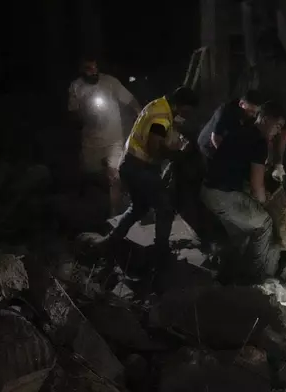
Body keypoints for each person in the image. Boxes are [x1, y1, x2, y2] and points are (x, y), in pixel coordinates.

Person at [93, 87, 198, 260]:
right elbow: (153, 147)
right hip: (139, 168)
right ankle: (161, 252)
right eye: (188, 110)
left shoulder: (159, 105)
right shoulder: (161, 118)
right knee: (164, 208)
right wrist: (177, 155)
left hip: (130, 164)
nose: (188, 115)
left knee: (139, 208)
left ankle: (109, 242)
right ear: (181, 105)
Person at [200, 101, 286, 284]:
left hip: (208, 189)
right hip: (222, 195)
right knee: (264, 223)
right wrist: (265, 204)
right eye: (277, 125)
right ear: (265, 118)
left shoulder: (242, 130)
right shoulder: (259, 142)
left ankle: (226, 274)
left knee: (241, 234)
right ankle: (255, 279)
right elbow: (257, 186)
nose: (278, 131)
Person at [68, 56, 141, 215]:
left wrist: (140, 115)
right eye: (88, 68)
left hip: (113, 139)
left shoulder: (110, 82)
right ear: (81, 70)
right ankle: (88, 208)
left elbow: (130, 100)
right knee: (89, 174)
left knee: (115, 176)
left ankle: (114, 214)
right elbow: (73, 113)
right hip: (91, 141)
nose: (93, 72)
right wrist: (86, 115)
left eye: (95, 68)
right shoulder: (76, 87)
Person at [197, 90, 265, 160]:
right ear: (241, 104)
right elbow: (216, 138)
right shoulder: (225, 111)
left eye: (255, 113)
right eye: (251, 111)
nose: (253, 115)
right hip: (208, 147)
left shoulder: (247, 118)